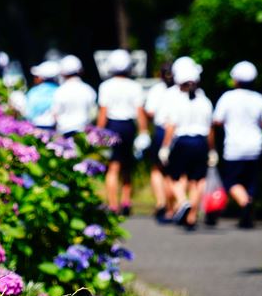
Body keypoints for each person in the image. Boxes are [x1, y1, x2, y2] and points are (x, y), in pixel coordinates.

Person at [159, 57, 217, 230]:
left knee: (175, 177)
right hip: (201, 143)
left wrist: (165, 147)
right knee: (198, 181)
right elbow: (210, 128)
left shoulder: (176, 100)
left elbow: (171, 126)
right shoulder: (204, 101)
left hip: (182, 142)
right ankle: (192, 216)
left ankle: (183, 202)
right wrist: (212, 150)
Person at [212, 61, 262, 228]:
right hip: (255, 146)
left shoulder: (228, 97)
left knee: (231, 182)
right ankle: (248, 205)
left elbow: (217, 120)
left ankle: (245, 203)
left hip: (234, 147)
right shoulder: (259, 99)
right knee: (250, 181)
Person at [96, 49, 148, 215]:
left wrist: (98, 132)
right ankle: (126, 201)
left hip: (112, 126)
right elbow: (139, 112)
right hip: (128, 127)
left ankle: (113, 203)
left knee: (113, 166)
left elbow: (103, 112)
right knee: (127, 165)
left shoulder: (106, 86)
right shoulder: (135, 86)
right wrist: (144, 131)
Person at [143, 63, 176, 222]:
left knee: (158, 170)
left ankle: (161, 202)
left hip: (161, 131)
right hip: (177, 133)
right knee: (172, 171)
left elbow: (150, 111)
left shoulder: (157, 90)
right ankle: (172, 207)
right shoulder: (181, 91)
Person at [51, 55, 97, 136]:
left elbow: (55, 115)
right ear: (80, 71)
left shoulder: (59, 91)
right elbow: (93, 113)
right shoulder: (88, 90)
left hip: (65, 132)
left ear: (63, 73)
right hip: (85, 132)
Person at [25, 60, 61, 130]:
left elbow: (29, 113)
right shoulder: (60, 91)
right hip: (56, 128)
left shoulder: (34, 92)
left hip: (37, 128)